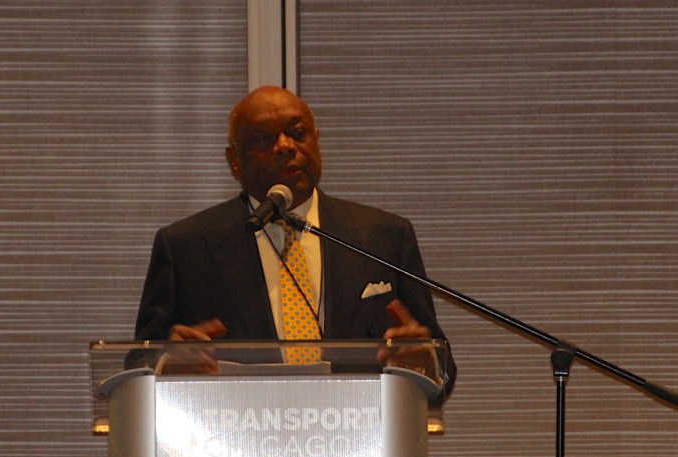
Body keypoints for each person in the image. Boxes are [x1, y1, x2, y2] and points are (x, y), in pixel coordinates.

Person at [134, 86, 456, 396]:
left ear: (317, 142)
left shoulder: (383, 236)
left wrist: (425, 363)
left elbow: (439, 368)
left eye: (298, 134)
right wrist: (166, 366)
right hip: (233, 439)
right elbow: (138, 366)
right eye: (264, 139)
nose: (286, 146)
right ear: (234, 160)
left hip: (359, 439)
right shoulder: (185, 247)